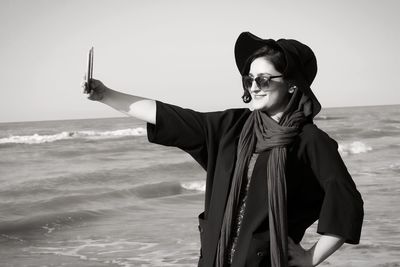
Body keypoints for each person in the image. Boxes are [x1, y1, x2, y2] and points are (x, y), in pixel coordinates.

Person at [82, 32, 364, 267]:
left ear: (291, 85)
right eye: (249, 79)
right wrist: (106, 94)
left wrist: (309, 257)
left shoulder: (310, 140)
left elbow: (346, 201)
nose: (254, 86)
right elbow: (168, 115)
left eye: (264, 80)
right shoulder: (231, 126)